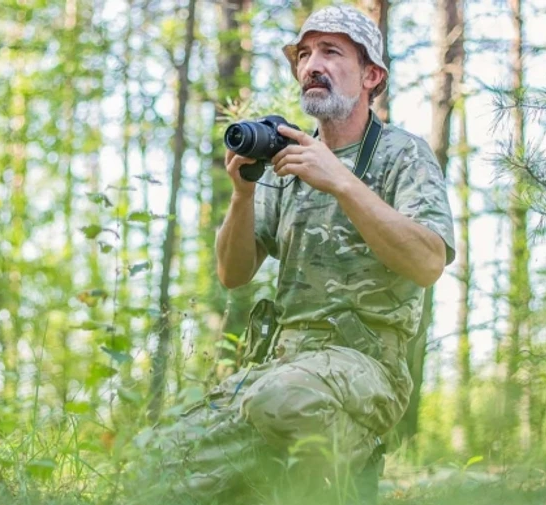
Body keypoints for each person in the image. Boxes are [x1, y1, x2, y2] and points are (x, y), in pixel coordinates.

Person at [136, 5, 455, 504]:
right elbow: (233, 274)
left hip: (368, 365)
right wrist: (243, 194)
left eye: (331, 52)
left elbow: (428, 262)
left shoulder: (402, 154)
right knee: (162, 456)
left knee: (284, 400)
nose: (312, 65)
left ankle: (352, 468)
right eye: (304, 55)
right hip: (281, 365)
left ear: (371, 75)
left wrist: (341, 181)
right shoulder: (288, 161)